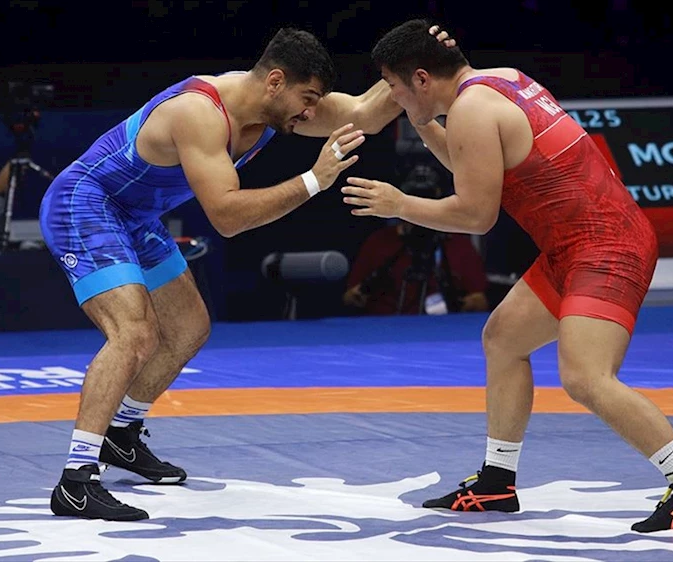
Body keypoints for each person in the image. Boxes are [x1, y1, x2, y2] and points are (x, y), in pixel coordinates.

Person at [41, 25, 454, 522]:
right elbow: (227, 217)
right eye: (307, 100)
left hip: (135, 215)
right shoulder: (199, 112)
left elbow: (364, 112)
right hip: (86, 204)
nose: (310, 113)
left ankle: (121, 435)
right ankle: (76, 480)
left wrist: (418, 62)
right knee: (133, 333)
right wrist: (314, 180)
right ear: (275, 81)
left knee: (189, 328)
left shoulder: (274, 109)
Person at [340, 19, 673, 533]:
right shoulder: (501, 80)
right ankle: (496, 482)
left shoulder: (473, 110)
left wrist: (400, 204)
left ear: (421, 78)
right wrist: (423, 121)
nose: (390, 97)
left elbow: (476, 214)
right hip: (575, 245)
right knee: (503, 339)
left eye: (393, 85)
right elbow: (472, 163)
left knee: (585, 377)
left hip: (607, 246)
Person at [343, 166, 488, 315]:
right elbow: (350, 297)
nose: (420, 209)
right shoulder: (379, 242)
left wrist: (458, 302)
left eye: (428, 200)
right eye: (413, 199)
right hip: (385, 323)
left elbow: (480, 300)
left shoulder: (458, 244)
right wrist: (361, 294)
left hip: (443, 324)